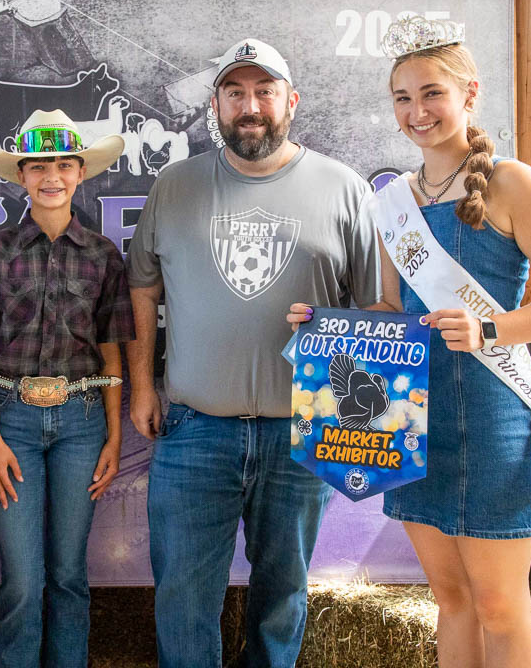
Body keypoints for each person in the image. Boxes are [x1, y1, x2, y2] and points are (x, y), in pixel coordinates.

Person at [289, 16, 531, 668]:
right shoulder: (392, 202)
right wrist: (326, 326)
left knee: (500, 607)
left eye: (432, 93)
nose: (417, 111)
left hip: (492, 415)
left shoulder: (512, 183)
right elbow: (391, 310)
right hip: (413, 420)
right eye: (403, 98)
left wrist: (491, 328)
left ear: (469, 94)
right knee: (450, 600)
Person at [127, 38, 383, 668]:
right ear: (215, 105)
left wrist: (335, 339)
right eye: (235, 92)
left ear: (290, 102)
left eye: (264, 91)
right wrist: (142, 386)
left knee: (283, 594)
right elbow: (142, 287)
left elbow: (379, 308)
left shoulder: (344, 188)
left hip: (303, 429)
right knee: (184, 595)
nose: (250, 106)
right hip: (194, 428)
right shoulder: (174, 185)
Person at [0, 110, 134, 668]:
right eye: (37, 166)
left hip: (82, 422)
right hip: (13, 421)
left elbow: (111, 351)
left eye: (63, 165)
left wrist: (113, 436)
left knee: (69, 573)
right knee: (24, 579)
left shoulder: (103, 255)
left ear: (81, 172)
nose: (51, 176)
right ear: (20, 176)